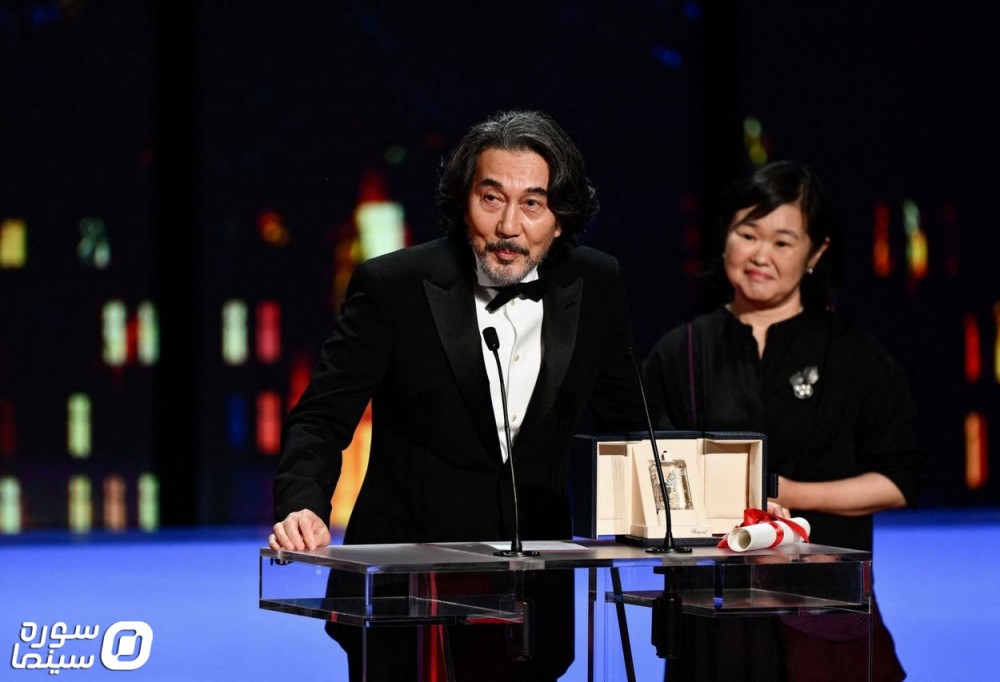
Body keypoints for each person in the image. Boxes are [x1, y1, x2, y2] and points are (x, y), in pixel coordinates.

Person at [269, 109, 646, 680]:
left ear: (560, 219)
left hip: (532, 592)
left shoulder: (594, 282)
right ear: (463, 201)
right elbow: (321, 417)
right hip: (402, 592)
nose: (509, 225)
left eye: (533, 204)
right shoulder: (392, 285)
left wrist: (717, 510)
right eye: (491, 199)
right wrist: (303, 504)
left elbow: (632, 423)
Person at [643, 160, 928, 681]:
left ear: (816, 253)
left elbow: (900, 480)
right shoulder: (680, 352)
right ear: (725, 237)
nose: (760, 255)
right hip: (712, 613)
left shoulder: (852, 354)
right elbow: (652, 474)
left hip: (822, 608)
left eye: (782, 241)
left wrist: (790, 494)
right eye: (748, 234)